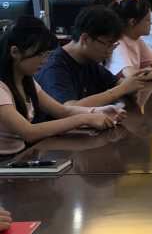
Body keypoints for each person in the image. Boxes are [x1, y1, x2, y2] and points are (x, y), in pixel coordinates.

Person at [0, 16, 125, 161]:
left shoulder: (26, 81)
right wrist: (84, 118)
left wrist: (97, 111)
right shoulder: (2, 88)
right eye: (40, 55)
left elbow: (62, 110)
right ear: (15, 52)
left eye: (47, 55)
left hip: (20, 156)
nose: (44, 61)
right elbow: (29, 132)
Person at [36, 6, 146, 107]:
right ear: (85, 39)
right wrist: (122, 89)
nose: (110, 51)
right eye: (108, 45)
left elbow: (116, 82)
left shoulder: (88, 60)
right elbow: (70, 108)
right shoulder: (55, 66)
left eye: (113, 45)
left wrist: (131, 84)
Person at [107, 0, 152, 80]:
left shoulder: (137, 39)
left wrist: (149, 75)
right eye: (148, 19)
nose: (151, 23)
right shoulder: (118, 44)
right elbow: (133, 77)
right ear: (133, 22)